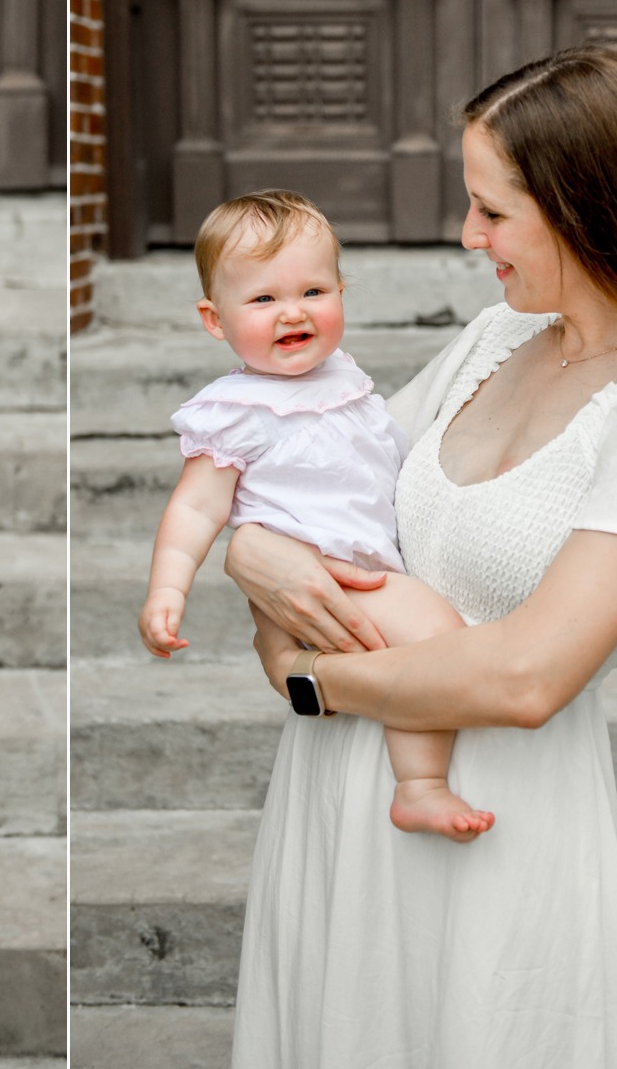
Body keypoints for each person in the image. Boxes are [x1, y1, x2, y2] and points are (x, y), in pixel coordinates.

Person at [221, 46, 617, 1066]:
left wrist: (307, 674)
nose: (467, 234)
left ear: (587, 209)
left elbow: (530, 676)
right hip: (335, 794)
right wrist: (252, 552)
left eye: (492, 212)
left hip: (494, 816)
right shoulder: (492, 338)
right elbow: (319, 506)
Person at [139, 190, 492, 840]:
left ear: (340, 291)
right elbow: (193, 506)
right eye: (263, 299)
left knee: (413, 643)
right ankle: (419, 785)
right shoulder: (233, 411)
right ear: (213, 321)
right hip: (327, 571)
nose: (291, 312)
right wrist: (167, 589)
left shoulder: (345, 377)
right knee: (436, 634)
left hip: (359, 561)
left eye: (313, 291)